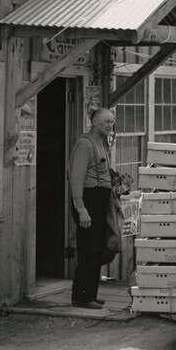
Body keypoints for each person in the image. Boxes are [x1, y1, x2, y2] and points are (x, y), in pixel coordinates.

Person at [68, 107, 116, 309]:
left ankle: (91, 294)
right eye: (106, 122)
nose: (110, 126)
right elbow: (76, 179)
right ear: (95, 123)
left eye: (111, 122)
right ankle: (81, 297)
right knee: (88, 250)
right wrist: (81, 209)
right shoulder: (84, 144)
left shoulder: (102, 143)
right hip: (88, 200)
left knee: (97, 250)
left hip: (101, 199)